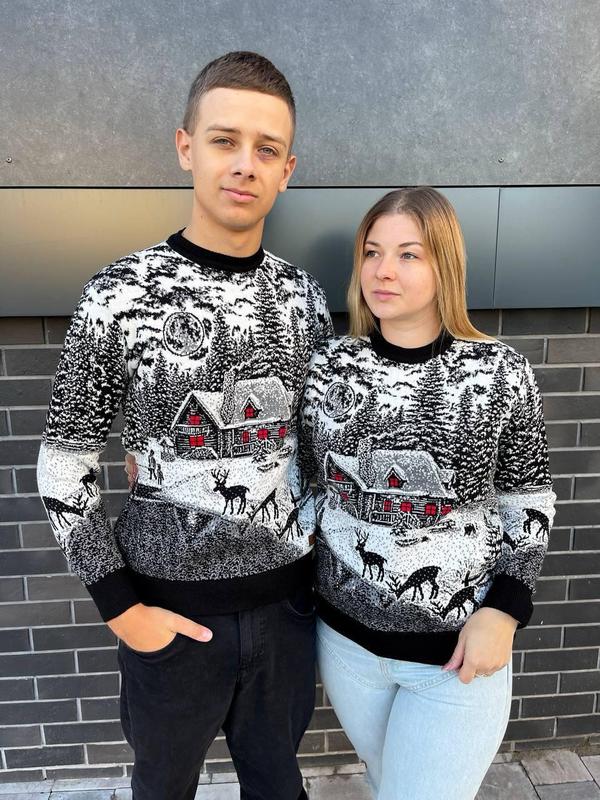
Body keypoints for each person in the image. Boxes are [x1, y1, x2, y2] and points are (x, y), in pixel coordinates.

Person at [37, 51, 333, 800]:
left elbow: (318, 451)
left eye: (266, 148)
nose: (244, 164)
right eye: (224, 140)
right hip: (168, 623)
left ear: (287, 169)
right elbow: (65, 461)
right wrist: (121, 610)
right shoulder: (119, 294)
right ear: (185, 147)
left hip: (285, 617)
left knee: (279, 788)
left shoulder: (304, 300)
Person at [299, 187, 556, 800]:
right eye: (372, 252)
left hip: (454, 658)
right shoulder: (327, 368)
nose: (383, 271)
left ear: (446, 265)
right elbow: (304, 481)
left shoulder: (500, 372)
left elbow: (528, 496)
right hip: (346, 646)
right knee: (388, 782)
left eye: (409, 254)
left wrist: (506, 609)